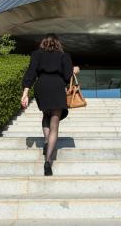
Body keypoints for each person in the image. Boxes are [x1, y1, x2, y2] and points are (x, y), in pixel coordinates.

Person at [21, 33, 80, 176]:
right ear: (58, 44)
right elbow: (67, 76)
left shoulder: (36, 54)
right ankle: (48, 160)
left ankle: (46, 141)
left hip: (42, 86)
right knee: (55, 122)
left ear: (44, 43)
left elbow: (31, 73)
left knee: (46, 114)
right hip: (57, 86)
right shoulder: (64, 56)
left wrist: (25, 93)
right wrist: (74, 71)